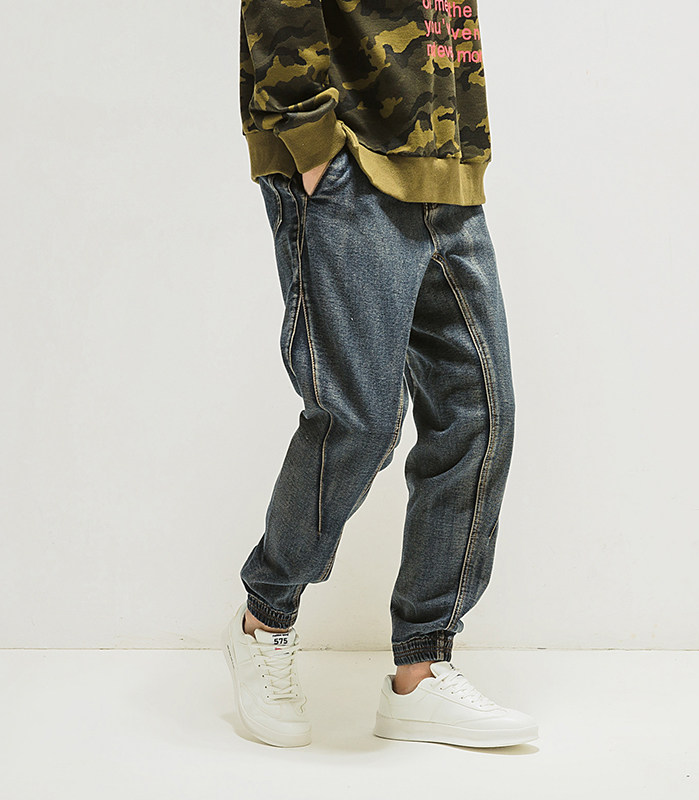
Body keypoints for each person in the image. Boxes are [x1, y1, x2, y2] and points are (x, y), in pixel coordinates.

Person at [222, 0, 538, 749]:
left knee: (479, 417)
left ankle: (420, 673)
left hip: (444, 166)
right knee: (358, 422)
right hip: (350, 161)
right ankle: (264, 619)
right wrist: (309, 142)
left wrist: (462, 149)